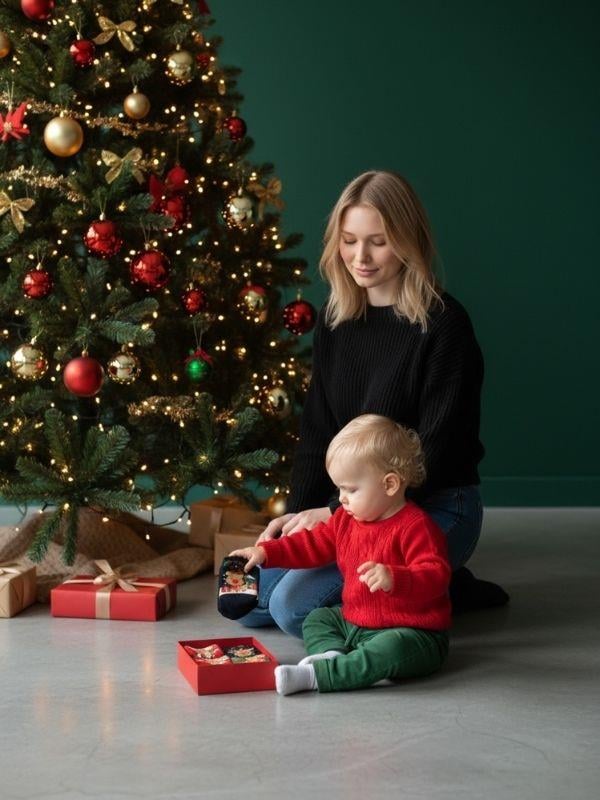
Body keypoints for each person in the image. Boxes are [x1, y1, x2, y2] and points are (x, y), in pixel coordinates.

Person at [239, 170, 508, 639]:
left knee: (290, 610)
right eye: (348, 240)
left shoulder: (444, 326)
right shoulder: (336, 319)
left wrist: (337, 515)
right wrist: (299, 517)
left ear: (407, 241)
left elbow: (435, 454)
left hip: (432, 505)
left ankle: (432, 582)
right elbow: (318, 426)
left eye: (378, 242)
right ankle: (437, 587)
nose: (359, 257)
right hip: (353, 505)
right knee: (248, 601)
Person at [231, 415, 451, 695]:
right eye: (340, 489)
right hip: (356, 621)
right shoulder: (346, 520)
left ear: (390, 485)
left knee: (391, 649)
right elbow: (309, 544)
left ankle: (318, 676)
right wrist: (265, 552)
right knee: (319, 618)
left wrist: (396, 577)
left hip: (412, 631)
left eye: (351, 489)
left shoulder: (416, 527)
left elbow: (436, 576)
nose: (342, 498)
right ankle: (331, 654)